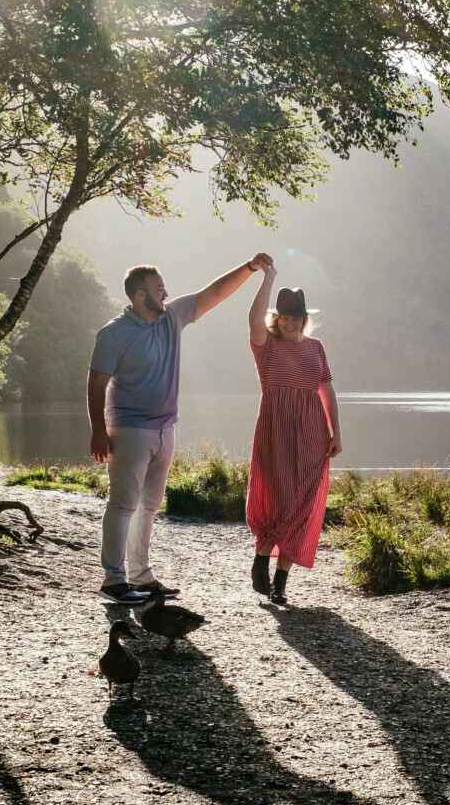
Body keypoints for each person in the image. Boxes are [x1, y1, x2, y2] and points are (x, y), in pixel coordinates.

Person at [88, 254, 274, 605]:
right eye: (158, 290)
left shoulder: (171, 317)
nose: (166, 294)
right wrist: (98, 430)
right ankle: (113, 580)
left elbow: (214, 293)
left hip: (165, 428)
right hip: (128, 429)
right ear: (139, 296)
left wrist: (249, 268)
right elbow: (96, 384)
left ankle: (141, 577)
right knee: (123, 503)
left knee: (149, 506)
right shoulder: (114, 334)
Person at [245, 269, 342, 605]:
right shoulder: (266, 346)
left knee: (303, 504)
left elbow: (326, 388)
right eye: (284, 316)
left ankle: (280, 583)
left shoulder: (316, 347)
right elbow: (253, 318)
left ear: (303, 319)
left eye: (296, 317)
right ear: (277, 318)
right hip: (275, 433)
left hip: (312, 434)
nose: (290, 322)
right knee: (275, 499)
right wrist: (267, 277)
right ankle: (260, 559)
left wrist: (336, 430)